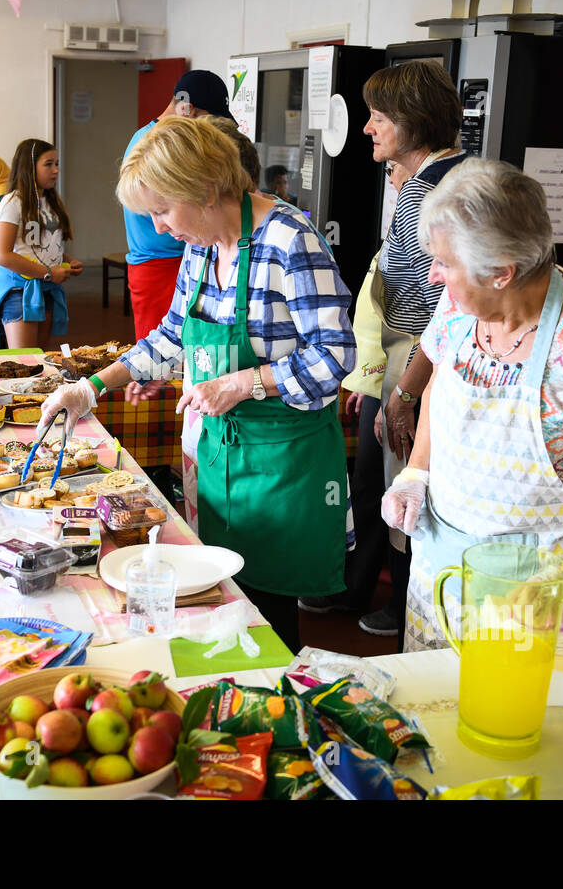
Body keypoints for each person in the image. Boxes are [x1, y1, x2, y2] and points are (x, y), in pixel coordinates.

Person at [39, 117, 356, 651]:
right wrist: (92, 387)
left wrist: (244, 383)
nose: (160, 228)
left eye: (162, 210)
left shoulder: (290, 242)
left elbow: (335, 357)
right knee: (219, 605)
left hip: (283, 464)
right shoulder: (204, 245)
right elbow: (171, 337)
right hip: (218, 459)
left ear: (206, 190)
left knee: (266, 623)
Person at [381, 159, 563, 651]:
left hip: (537, 606)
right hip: (440, 578)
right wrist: (416, 472)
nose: (433, 278)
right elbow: (439, 389)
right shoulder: (461, 305)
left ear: (501, 273)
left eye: (445, 265)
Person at [298, 60, 468, 640]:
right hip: (396, 365)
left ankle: (403, 611)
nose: (367, 128)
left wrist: (400, 393)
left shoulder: (427, 193)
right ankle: (359, 589)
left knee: (404, 488)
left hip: (419, 370)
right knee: (375, 479)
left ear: (413, 121)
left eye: (377, 117)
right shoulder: (424, 180)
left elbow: (434, 313)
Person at [122, 70, 233, 341]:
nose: (212, 129)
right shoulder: (156, 144)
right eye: (210, 120)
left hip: (178, 257)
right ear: (188, 108)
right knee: (159, 363)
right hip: (159, 264)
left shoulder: (162, 137)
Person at [0, 138, 82, 349]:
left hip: (46, 288)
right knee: (25, 364)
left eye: (57, 163)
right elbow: (3, 255)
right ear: (30, 167)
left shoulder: (50, 202)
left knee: (39, 362)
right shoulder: (13, 202)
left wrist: (66, 261)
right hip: (20, 291)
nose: (55, 170)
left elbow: (38, 246)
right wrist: (48, 272)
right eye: (48, 164)